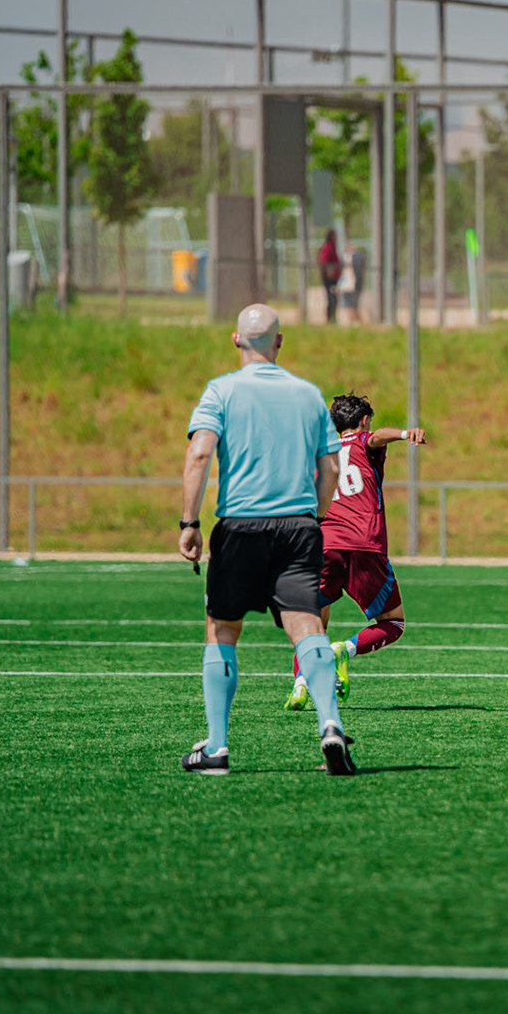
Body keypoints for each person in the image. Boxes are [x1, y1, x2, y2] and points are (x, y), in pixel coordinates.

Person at [177, 304, 347, 775]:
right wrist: (316, 513)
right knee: (307, 628)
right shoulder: (309, 395)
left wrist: (188, 523)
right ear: (280, 341)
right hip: (297, 527)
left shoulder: (221, 391)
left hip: (239, 528)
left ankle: (217, 747)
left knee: (223, 630)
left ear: (235, 340)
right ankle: (330, 725)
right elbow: (331, 468)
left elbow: (199, 453)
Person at [283, 392, 425, 713]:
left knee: (313, 622)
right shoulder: (364, 441)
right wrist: (404, 433)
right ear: (363, 421)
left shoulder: (324, 453)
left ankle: (300, 683)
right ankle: (342, 651)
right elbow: (376, 438)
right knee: (393, 623)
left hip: (325, 544)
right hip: (365, 543)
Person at [318, 229, 342, 324]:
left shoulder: (333, 247)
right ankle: (330, 318)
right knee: (331, 298)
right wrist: (329, 270)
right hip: (329, 278)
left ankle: (333, 318)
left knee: (334, 298)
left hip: (334, 277)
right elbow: (324, 260)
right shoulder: (329, 247)